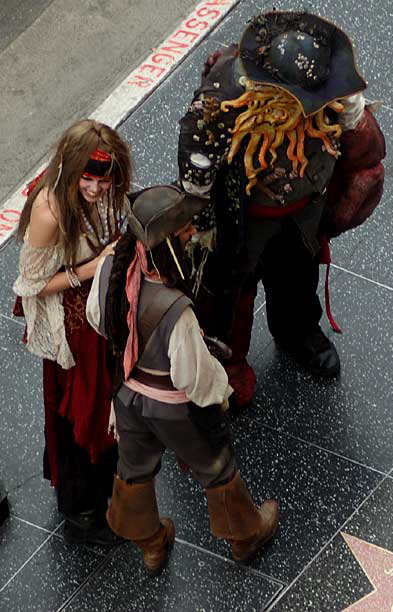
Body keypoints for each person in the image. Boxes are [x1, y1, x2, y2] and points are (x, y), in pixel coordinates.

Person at [177, 11, 386, 407]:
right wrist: (203, 224)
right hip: (241, 219)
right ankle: (228, 365)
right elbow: (197, 165)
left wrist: (355, 118)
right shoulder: (223, 95)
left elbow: (367, 157)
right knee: (230, 293)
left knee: (297, 274)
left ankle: (297, 332)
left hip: (304, 209)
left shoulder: (330, 93)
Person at [86, 185, 279, 575]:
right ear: (169, 244)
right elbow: (194, 378)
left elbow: (97, 319)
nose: (192, 231)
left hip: (126, 397)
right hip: (175, 410)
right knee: (217, 468)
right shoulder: (177, 310)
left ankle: (151, 545)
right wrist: (221, 393)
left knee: (133, 470)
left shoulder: (110, 267)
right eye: (185, 229)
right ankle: (245, 535)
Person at [13, 119, 132, 545]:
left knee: (105, 400)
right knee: (79, 410)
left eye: (105, 180)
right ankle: (81, 508)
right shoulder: (50, 212)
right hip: (71, 324)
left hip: (102, 312)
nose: (98, 190)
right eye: (90, 179)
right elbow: (31, 285)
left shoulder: (101, 187)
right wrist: (92, 268)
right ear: (70, 167)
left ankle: (103, 477)